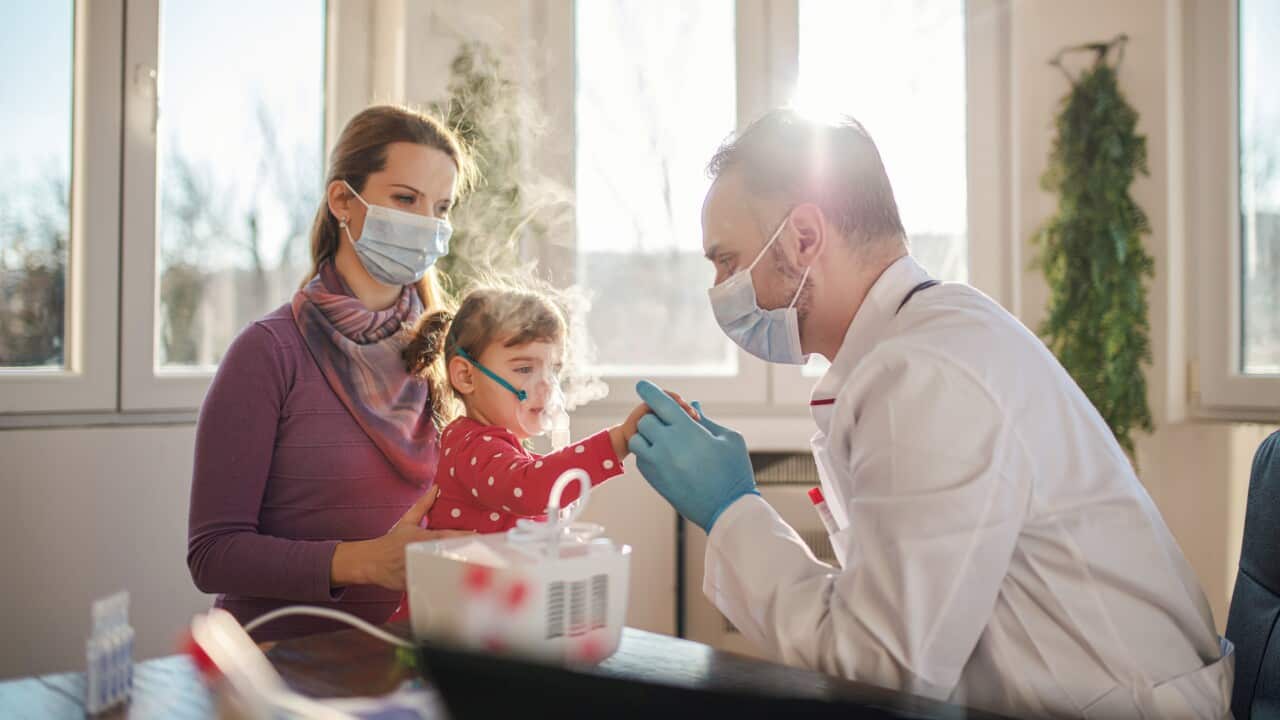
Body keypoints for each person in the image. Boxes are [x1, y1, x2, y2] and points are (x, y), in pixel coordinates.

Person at [628, 109, 1233, 718]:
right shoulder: (927, 337)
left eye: (728, 262)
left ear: (804, 238)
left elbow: (881, 671)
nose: (720, 289)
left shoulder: (928, 372)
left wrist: (732, 510)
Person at [187, 105, 475, 641]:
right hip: (280, 668)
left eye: (441, 207)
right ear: (344, 200)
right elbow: (212, 554)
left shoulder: (450, 356)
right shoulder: (267, 354)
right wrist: (363, 563)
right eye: (405, 199)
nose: (427, 225)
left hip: (411, 660)